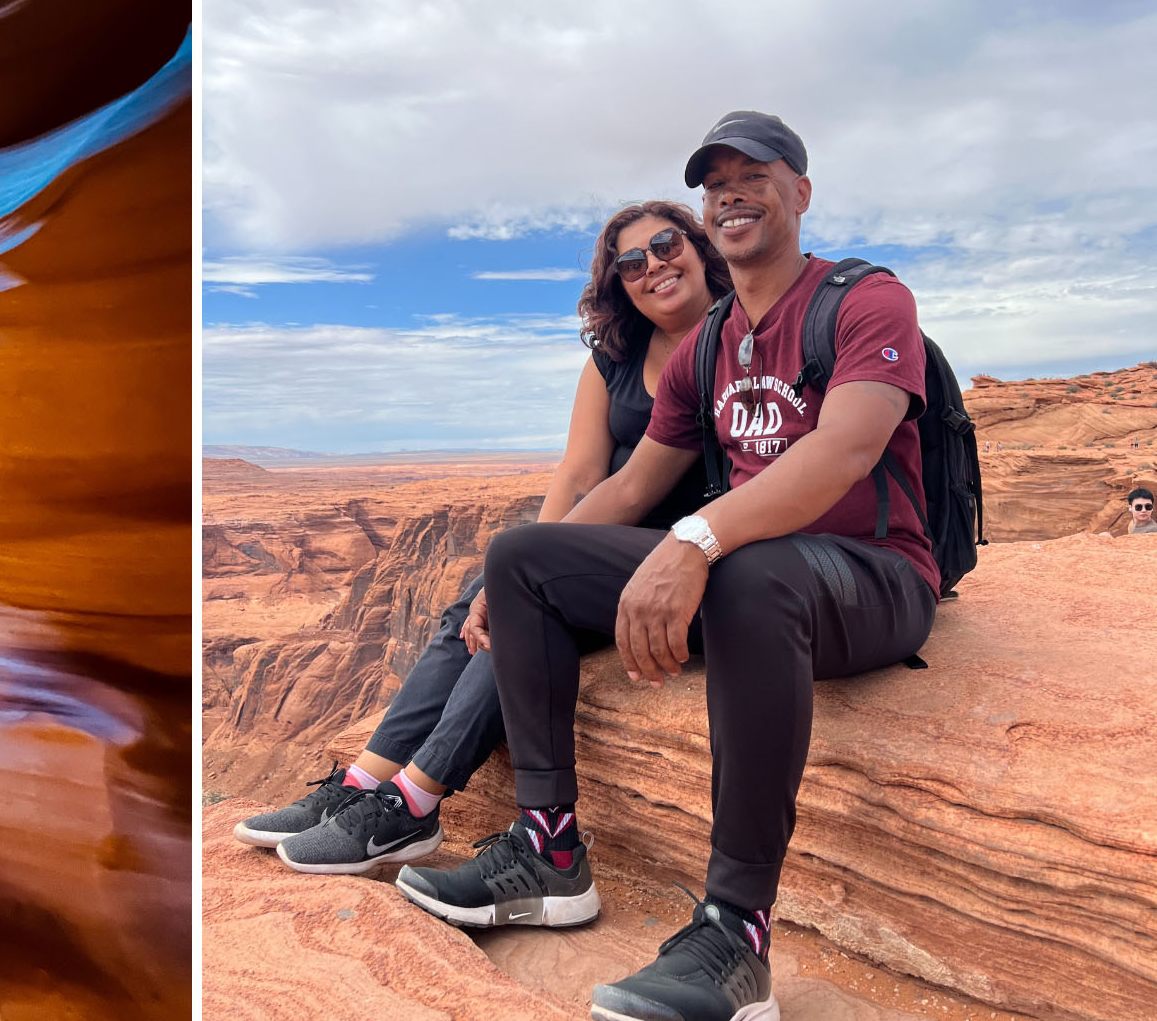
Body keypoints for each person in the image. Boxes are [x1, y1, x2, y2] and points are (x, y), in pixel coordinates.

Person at [393, 112, 940, 1021]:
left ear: (800, 193)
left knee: (751, 573)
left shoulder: (866, 299)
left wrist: (696, 539)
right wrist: (503, 581)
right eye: (715, 181)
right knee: (525, 556)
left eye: (755, 175)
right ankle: (550, 852)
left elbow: (846, 450)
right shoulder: (712, 341)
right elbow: (633, 479)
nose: (731, 193)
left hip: (873, 575)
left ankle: (734, 933)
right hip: (754, 566)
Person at [233, 200, 728, 876]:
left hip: (673, 552)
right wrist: (528, 554)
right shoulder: (616, 359)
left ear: (699, 248)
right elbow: (581, 471)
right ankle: (365, 782)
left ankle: (414, 802)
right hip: (603, 538)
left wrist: (528, 572)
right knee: (480, 593)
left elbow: (640, 485)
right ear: (619, 284)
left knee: (522, 610)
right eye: (632, 262)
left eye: (667, 245)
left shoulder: (737, 338)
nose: (654, 267)